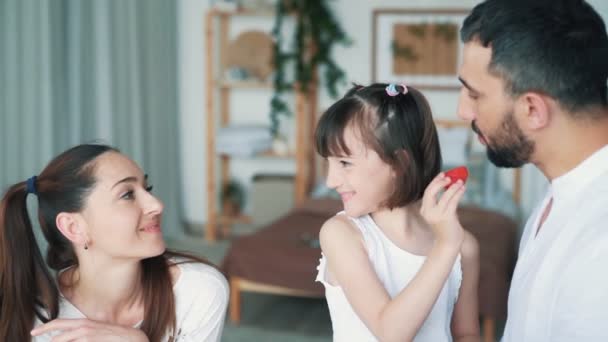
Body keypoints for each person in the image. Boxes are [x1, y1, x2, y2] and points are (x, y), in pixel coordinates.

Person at [457, 0, 608, 341]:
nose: (463, 111)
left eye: (474, 95)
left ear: (532, 110)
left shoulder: (600, 250)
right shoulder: (564, 188)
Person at [0, 144, 229, 341]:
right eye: (127, 194)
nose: (156, 204)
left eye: (146, 188)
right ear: (74, 228)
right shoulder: (39, 322)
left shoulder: (199, 289)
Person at [314, 83, 480, 342]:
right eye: (330, 163)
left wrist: (450, 244)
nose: (331, 181)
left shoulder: (464, 247)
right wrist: (446, 246)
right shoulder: (342, 234)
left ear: (399, 163)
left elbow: (467, 333)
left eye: (345, 163)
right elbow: (391, 333)